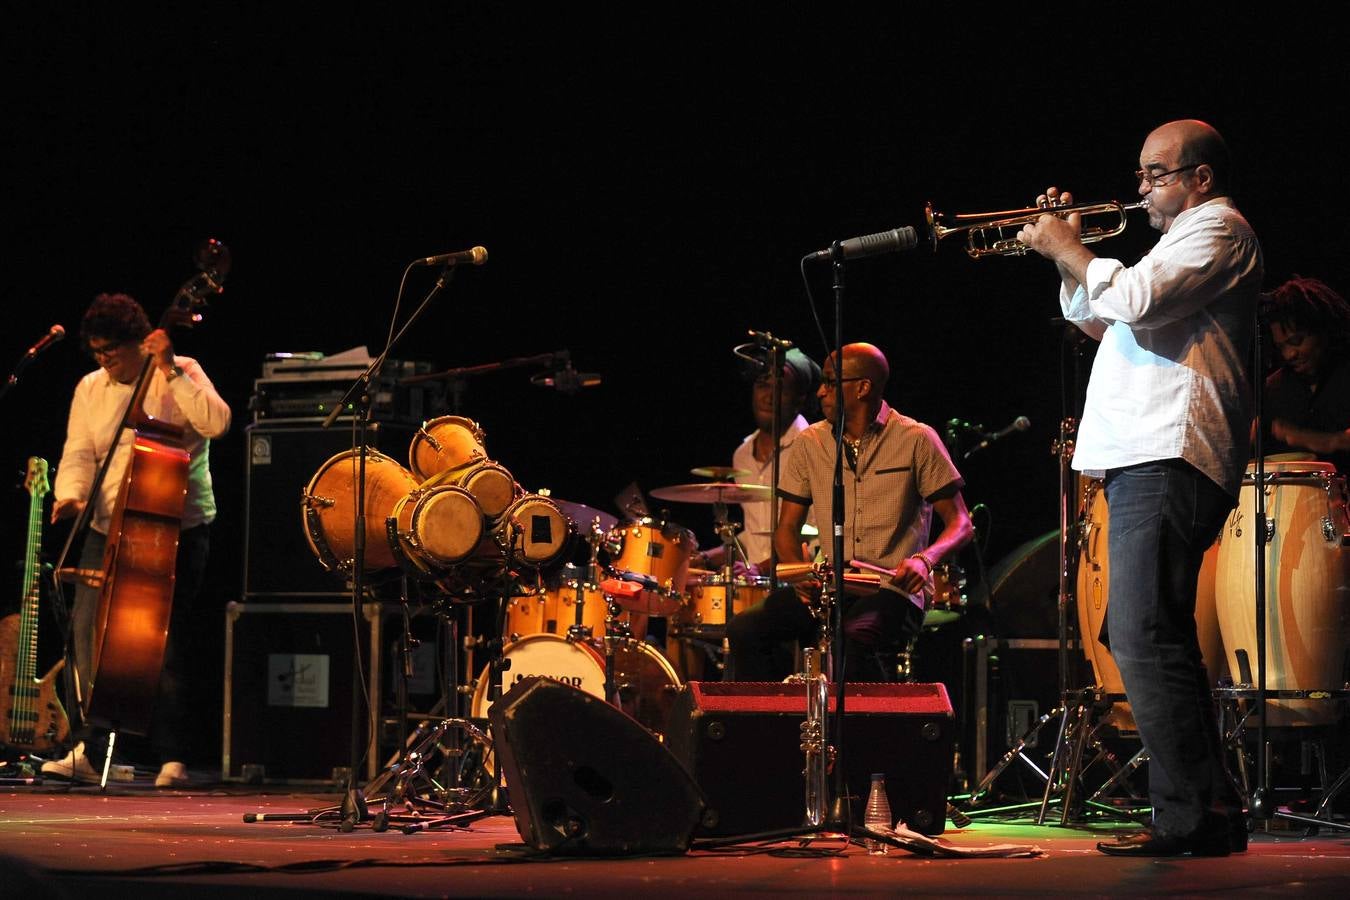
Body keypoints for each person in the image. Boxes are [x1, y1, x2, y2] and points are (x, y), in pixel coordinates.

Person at [1018, 119, 1261, 856]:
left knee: (1143, 632)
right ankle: (1207, 809)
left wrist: (1072, 247)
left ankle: (1190, 816)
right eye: (1142, 174)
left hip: (1169, 451)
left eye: (1156, 173)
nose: (1141, 187)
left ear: (1201, 178)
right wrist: (1068, 264)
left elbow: (1136, 301)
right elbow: (1105, 318)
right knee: (1152, 632)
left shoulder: (1217, 229)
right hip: (1142, 454)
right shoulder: (1174, 242)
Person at [41, 293, 231, 787]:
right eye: (98, 353)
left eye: (113, 352)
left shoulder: (181, 370)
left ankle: (173, 755)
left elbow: (217, 422)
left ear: (141, 343)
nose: (105, 362)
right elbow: (80, 451)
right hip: (106, 526)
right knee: (87, 637)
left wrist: (168, 369)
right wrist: (71, 496)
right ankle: (91, 747)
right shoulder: (91, 387)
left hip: (175, 530)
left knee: (162, 646)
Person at [725, 342, 973, 683]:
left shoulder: (916, 439)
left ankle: (862, 731)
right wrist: (801, 577)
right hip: (831, 585)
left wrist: (925, 560)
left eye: (830, 381)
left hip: (892, 589)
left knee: (851, 639)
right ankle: (775, 723)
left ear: (863, 387)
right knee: (745, 630)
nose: (821, 391)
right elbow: (787, 529)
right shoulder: (811, 442)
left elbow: (961, 523)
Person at [691, 347, 820, 573]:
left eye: (780, 388)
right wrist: (704, 557)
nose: (768, 397)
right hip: (755, 581)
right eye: (762, 385)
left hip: (798, 580)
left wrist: (760, 570)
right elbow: (753, 538)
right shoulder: (742, 454)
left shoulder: (815, 447)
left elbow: (816, 539)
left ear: (800, 399)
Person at [1259, 275, 1350, 472]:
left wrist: (1328, 441)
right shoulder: (1275, 388)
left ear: (1322, 329)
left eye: (1297, 341)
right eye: (1281, 346)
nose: (1289, 354)